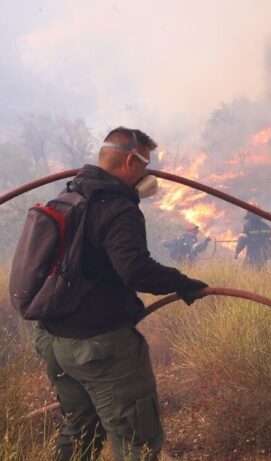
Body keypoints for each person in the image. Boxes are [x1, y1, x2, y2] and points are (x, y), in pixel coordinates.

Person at [33, 127, 208, 460]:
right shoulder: (118, 207)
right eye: (145, 166)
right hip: (100, 349)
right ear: (131, 161)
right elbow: (135, 269)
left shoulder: (70, 196)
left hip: (54, 341)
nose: (147, 175)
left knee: (80, 429)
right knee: (136, 439)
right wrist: (182, 282)